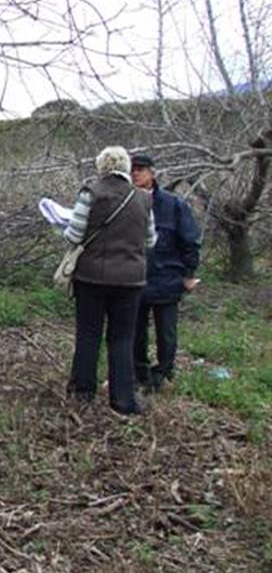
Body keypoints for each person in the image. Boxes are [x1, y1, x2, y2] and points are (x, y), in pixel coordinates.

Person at [63, 146, 156, 415]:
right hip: (131, 280)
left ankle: (82, 393)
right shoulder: (143, 199)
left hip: (91, 277)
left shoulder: (90, 193)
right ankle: (123, 400)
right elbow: (150, 240)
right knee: (122, 338)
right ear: (126, 167)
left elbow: (74, 235)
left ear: (101, 167)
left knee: (88, 334)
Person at [130, 153, 202, 391]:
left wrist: (189, 274)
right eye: (132, 169)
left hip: (167, 278)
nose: (136, 173)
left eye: (141, 169)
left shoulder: (174, 204)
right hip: (134, 278)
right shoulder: (125, 202)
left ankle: (163, 374)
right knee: (135, 330)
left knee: (166, 332)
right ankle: (139, 371)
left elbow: (190, 240)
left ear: (152, 172)